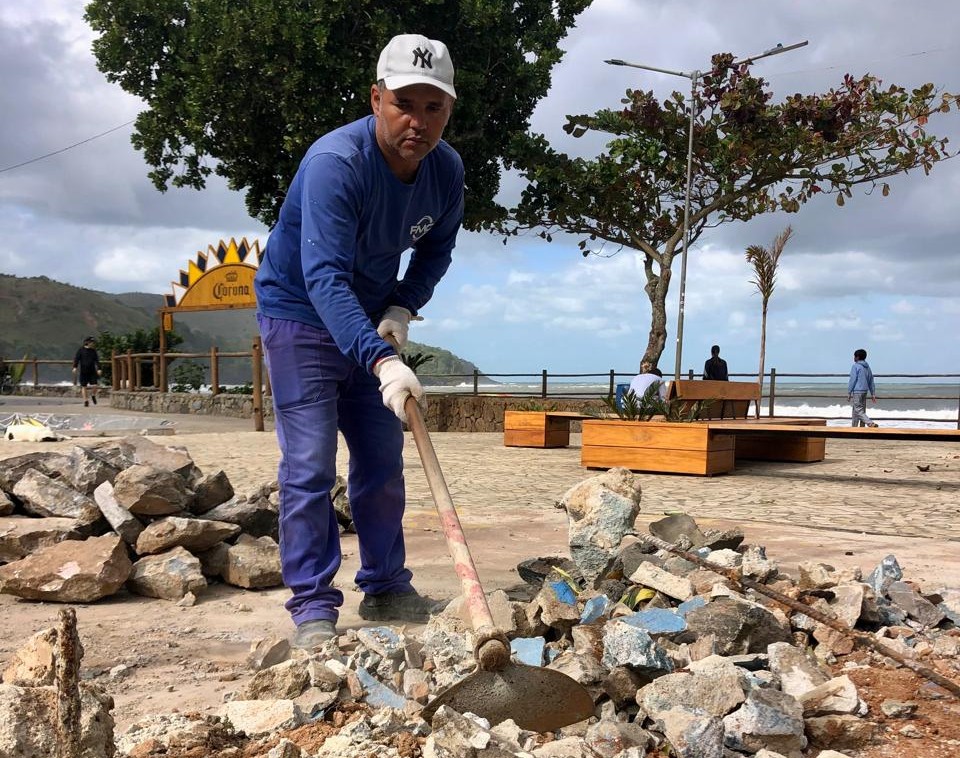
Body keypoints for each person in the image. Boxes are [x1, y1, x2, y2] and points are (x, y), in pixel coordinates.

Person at [253, 33, 463, 650]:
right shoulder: (336, 164)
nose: (418, 122)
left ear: (448, 111)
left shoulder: (445, 171)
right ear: (377, 100)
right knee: (310, 466)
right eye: (404, 104)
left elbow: (437, 249)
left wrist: (401, 306)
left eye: (433, 108)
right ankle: (313, 606)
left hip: (370, 315)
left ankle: (387, 585)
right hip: (299, 316)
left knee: (381, 461)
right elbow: (323, 277)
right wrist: (382, 361)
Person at [848, 348, 878, 427]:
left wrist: (849, 392)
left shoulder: (855, 366)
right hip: (865, 391)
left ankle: (870, 423)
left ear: (857, 357)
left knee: (858, 410)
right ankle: (856, 428)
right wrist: (873, 393)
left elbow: (853, 380)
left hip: (857, 391)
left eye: (854, 356)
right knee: (860, 410)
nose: (853, 358)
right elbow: (871, 380)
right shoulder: (867, 367)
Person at [73, 336, 101, 407]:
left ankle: (93, 395)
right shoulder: (81, 350)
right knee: (84, 386)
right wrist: (75, 367)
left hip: (92, 371)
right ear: (87, 342)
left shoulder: (93, 351)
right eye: (92, 342)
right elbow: (76, 359)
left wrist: (99, 369)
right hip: (83, 371)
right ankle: (85, 400)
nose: (93, 343)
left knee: (95, 385)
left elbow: (97, 361)